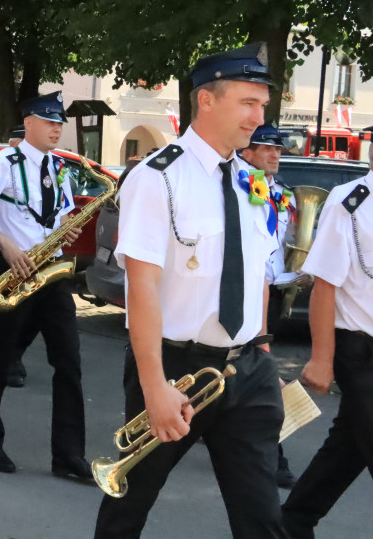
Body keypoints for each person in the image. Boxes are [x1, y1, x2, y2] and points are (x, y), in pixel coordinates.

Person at [94, 43, 285, 539]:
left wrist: (260, 346)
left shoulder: (252, 181)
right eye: (248, 102)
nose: (258, 116)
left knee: (262, 517)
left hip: (246, 370)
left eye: (262, 104)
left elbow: (256, 270)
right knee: (129, 507)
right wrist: (154, 387)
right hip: (177, 370)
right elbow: (142, 288)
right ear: (206, 100)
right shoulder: (158, 178)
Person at [0, 91, 89, 481]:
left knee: (69, 365)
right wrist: (4, 243)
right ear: (30, 122)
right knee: (0, 360)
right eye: (50, 121)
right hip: (14, 274)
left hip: (50, 275)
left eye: (60, 122)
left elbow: (58, 218)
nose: (57, 128)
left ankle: (69, 457)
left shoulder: (60, 167)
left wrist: (64, 233)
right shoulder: (0, 163)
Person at [280, 143, 373, 537]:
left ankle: (291, 524)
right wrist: (322, 358)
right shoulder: (351, 203)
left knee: (346, 451)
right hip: (362, 351)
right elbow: (325, 285)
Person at [239, 124, 298, 489]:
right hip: (247, 289)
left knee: (240, 369)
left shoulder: (282, 193)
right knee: (263, 373)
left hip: (272, 288)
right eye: (265, 148)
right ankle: (274, 458)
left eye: (278, 149)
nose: (275, 154)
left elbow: (285, 241)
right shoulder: (249, 186)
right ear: (248, 152)